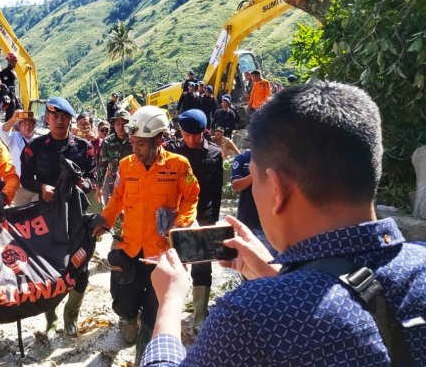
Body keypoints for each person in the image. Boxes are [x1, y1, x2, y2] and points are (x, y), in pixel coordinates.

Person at [142, 81, 426, 367]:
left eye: (256, 180)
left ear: (277, 190)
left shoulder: (249, 315)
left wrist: (169, 301)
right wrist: (277, 276)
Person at [91, 106, 199, 365]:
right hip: (129, 248)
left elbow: (191, 196)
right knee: (124, 301)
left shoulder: (178, 165)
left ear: (158, 140)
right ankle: (128, 319)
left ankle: (144, 352)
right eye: (133, 143)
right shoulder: (127, 166)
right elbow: (117, 197)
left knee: (154, 310)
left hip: (160, 253)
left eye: (140, 144)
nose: (135, 149)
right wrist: (103, 219)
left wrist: (182, 225)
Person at [20, 97, 97, 338]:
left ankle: (70, 316)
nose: (59, 121)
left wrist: (85, 184)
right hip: (46, 217)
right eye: (55, 116)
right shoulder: (35, 146)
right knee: (47, 269)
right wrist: (42, 187)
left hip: (77, 217)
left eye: (64, 117)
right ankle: (51, 318)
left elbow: (95, 177)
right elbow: (25, 179)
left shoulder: (84, 147)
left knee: (81, 268)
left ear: (70, 120)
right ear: (48, 118)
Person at [164, 109, 223, 331]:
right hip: (176, 216)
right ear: (180, 132)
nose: (191, 140)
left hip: (204, 215)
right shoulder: (171, 151)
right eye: (186, 135)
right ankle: (169, 310)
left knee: (202, 263)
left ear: (204, 131)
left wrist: (212, 221)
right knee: (172, 261)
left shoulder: (215, 154)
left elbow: (216, 190)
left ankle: (200, 313)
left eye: (195, 135)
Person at [0, 110, 39, 206]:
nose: (27, 126)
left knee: (37, 215)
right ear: (19, 126)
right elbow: (2, 131)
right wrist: (14, 119)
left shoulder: (39, 140)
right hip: (20, 186)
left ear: (34, 125)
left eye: (30, 123)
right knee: (21, 216)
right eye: (24, 123)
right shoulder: (13, 138)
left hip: (37, 185)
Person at [96, 110, 132, 206]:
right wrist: (99, 187)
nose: (120, 127)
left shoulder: (135, 140)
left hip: (133, 183)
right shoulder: (107, 141)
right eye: (118, 123)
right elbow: (102, 165)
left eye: (124, 124)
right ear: (113, 125)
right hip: (115, 184)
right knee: (115, 212)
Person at [0, 52, 19, 121]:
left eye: (16, 61)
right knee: (10, 115)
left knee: (18, 110)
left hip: (12, 96)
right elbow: (6, 86)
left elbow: (12, 87)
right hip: (8, 97)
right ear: (9, 61)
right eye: (14, 61)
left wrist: (15, 96)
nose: (15, 63)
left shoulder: (11, 72)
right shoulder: (5, 72)